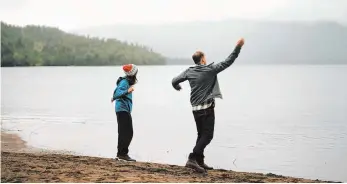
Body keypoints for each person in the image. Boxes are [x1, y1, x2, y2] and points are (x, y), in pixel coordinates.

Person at [171, 38, 245, 173]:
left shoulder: (189, 71)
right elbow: (228, 61)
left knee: (201, 135)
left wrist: (177, 87)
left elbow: (174, 80)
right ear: (203, 59)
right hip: (206, 109)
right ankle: (192, 158)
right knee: (208, 135)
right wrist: (238, 47)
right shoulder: (210, 70)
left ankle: (199, 160)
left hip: (195, 109)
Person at [111, 64, 138, 162]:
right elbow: (117, 93)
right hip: (122, 109)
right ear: (133, 73)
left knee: (124, 132)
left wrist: (115, 96)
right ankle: (122, 154)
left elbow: (116, 93)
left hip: (123, 109)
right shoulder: (124, 82)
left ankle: (121, 154)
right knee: (127, 133)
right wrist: (127, 91)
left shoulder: (125, 81)